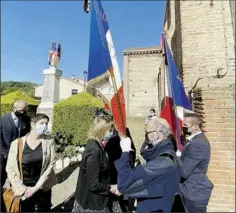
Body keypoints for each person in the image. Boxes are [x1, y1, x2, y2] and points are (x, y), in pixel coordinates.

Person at [115, 117, 180, 212]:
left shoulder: (160, 164)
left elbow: (124, 185)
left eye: (147, 133)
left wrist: (125, 153)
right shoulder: (168, 154)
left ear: (156, 134)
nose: (146, 137)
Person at [6, 113, 57, 212]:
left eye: (46, 123)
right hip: (24, 186)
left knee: (44, 209)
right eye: (42, 123)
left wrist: (36, 188)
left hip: (43, 184)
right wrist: (23, 189)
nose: (45, 126)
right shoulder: (17, 143)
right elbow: (10, 168)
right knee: (26, 209)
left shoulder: (49, 141)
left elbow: (51, 164)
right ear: (33, 124)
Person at [72, 115, 120, 213]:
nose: (112, 133)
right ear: (101, 130)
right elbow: (93, 184)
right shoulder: (94, 150)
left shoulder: (96, 145)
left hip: (95, 201)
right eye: (110, 130)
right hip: (92, 204)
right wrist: (111, 188)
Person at [177, 112, 214, 212]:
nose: (182, 127)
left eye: (185, 125)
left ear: (195, 127)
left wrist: (174, 157)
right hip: (189, 191)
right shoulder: (194, 140)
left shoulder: (198, 144)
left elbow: (184, 172)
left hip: (194, 193)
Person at [0, 100, 31, 212]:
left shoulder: (26, 119)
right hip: (3, 155)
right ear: (14, 108)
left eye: (25, 110)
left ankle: (16, 204)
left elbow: (26, 135)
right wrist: (6, 154)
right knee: (1, 178)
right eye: (22, 110)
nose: (24, 112)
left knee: (18, 178)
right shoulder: (3, 119)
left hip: (19, 154)